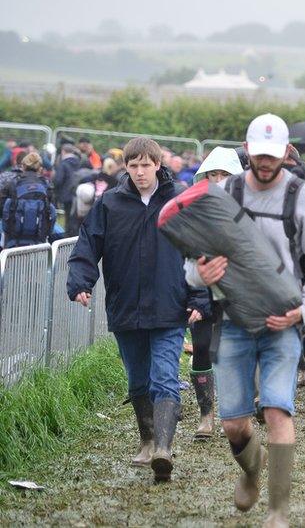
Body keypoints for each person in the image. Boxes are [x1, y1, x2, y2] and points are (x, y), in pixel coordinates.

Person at [191, 114, 305, 526]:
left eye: (273, 155)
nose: (266, 162)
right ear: (247, 150)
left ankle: (278, 509)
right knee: (234, 424)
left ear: (286, 152)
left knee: (276, 411)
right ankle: (252, 471)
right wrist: (200, 274)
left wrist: (304, 310)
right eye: (258, 154)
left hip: (282, 322)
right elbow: (194, 257)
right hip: (233, 319)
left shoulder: (303, 197)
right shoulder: (225, 193)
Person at [67, 137, 209, 483]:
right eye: (134, 166)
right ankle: (147, 441)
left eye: (147, 165)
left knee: (164, 377)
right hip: (125, 303)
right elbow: (89, 244)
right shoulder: (110, 204)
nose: (141, 172)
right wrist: (81, 282)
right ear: (125, 168)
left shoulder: (179, 201)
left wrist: (199, 298)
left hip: (170, 305)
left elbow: (200, 251)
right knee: (138, 379)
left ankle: (163, 448)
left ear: (158, 165)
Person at [182, 147, 245, 440]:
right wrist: (193, 299)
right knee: (203, 348)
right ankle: (206, 416)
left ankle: (233, 413)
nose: (219, 179)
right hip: (203, 294)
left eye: (225, 174)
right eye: (214, 174)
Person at [1, 152, 58, 249]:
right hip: (39, 239)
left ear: (23, 166)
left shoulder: (13, 183)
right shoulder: (46, 184)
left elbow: (2, 208)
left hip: (14, 240)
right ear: (40, 168)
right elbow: (51, 210)